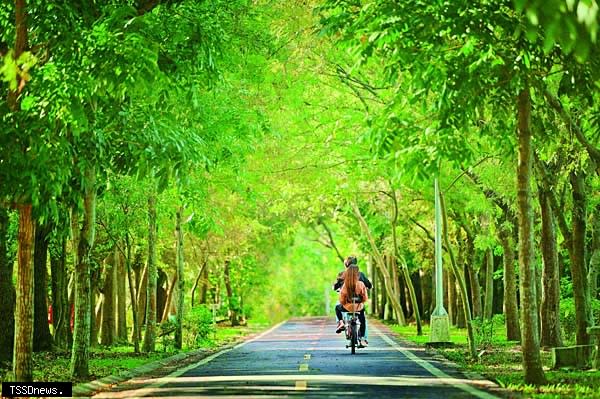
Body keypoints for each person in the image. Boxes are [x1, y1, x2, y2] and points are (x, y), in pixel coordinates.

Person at [335, 265, 368, 346]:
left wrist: (346, 303)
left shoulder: (345, 285)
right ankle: (362, 338)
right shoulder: (361, 284)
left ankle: (341, 322)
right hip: (358, 307)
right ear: (357, 274)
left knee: (337, 308)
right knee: (362, 320)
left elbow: (342, 300)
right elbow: (365, 298)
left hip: (347, 307)